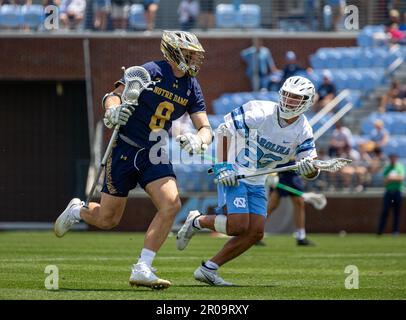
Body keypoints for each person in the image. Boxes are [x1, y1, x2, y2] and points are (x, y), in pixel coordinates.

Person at [54, 31, 212, 290]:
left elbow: (205, 126)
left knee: (171, 204)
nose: (195, 59)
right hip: (125, 149)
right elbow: (113, 96)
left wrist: (200, 140)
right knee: (108, 219)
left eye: (196, 55)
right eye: (190, 54)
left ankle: (143, 267)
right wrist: (112, 110)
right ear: (175, 53)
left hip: (155, 152)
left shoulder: (192, 85)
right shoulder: (151, 71)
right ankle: (78, 210)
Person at [177, 76, 319, 286]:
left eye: (296, 98)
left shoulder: (303, 129)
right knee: (238, 226)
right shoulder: (262, 112)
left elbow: (310, 166)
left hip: (257, 178)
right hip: (234, 171)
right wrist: (223, 166)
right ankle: (197, 221)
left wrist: (310, 169)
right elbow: (224, 130)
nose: (289, 101)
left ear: (306, 102)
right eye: (287, 96)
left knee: (255, 232)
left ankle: (209, 269)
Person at [267, 169, 315, 246]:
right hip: (279, 171)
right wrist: (272, 172)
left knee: (299, 203)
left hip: (292, 172)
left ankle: (301, 237)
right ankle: (255, 231)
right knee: (272, 204)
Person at [377, 153, 404, 235]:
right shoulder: (387, 168)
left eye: (394, 157)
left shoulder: (400, 167)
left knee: (397, 213)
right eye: (391, 158)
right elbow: (385, 180)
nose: (392, 159)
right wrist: (393, 178)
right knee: (385, 212)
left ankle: (395, 231)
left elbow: (401, 178)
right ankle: (380, 231)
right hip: (388, 193)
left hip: (397, 192)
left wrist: (391, 178)